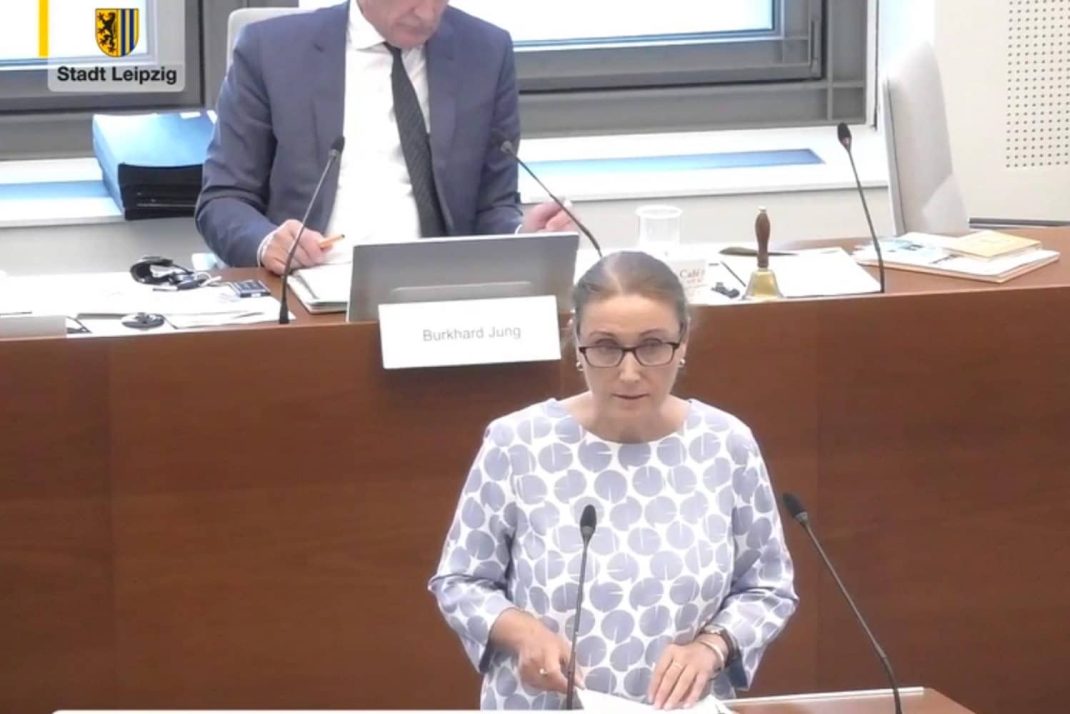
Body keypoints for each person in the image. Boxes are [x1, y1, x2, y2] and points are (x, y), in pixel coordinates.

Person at [429, 251, 798, 710]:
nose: (629, 372)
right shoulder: (517, 443)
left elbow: (768, 586)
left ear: (683, 341)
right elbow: (460, 580)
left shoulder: (726, 444)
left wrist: (713, 646)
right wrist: (522, 633)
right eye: (606, 347)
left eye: (652, 345)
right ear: (576, 342)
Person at [196, 0, 573, 273]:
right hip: (312, 286)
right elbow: (223, 200)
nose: (427, 13)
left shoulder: (486, 51)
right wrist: (267, 243)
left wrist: (522, 236)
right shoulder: (271, 51)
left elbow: (492, 205)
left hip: (443, 291)